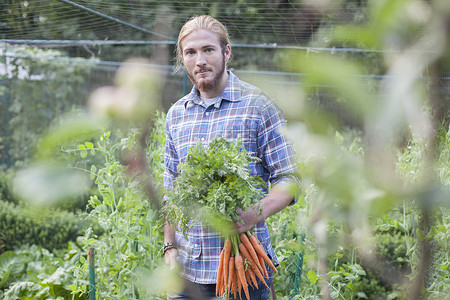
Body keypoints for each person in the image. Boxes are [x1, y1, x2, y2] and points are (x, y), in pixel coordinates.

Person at [163, 15, 300, 299]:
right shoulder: (177, 114)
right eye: (191, 52)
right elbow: (171, 189)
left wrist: (254, 213)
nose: (200, 60)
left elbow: (289, 179)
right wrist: (169, 246)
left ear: (226, 52)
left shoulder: (259, 106)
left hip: (246, 269)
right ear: (183, 59)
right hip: (187, 273)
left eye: (208, 50)